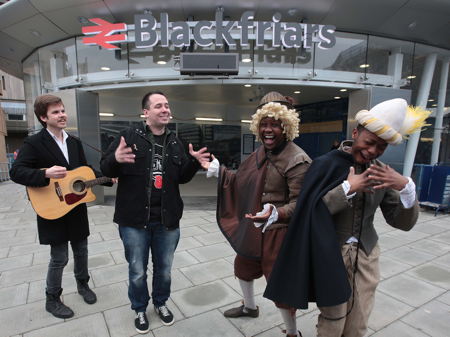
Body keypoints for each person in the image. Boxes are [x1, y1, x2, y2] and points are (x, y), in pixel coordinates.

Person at [265, 98, 430, 337]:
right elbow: (308, 210)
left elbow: (401, 222)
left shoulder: (381, 172)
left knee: (359, 320)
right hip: (331, 256)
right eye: (370, 142)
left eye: (381, 147)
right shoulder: (324, 164)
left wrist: (406, 188)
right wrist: (346, 189)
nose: (373, 151)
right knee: (333, 319)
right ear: (356, 133)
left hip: (366, 256)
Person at [100, 91, 210, 334]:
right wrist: (116, 159)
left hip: (167, 220)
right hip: (134, 221)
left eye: (167, 105)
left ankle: (160, 303)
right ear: (145, 112)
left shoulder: (174, 141)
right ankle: (140, 308)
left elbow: (181, 177)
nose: (165, 109)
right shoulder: (128, 136)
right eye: (158, 106)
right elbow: (105, 167)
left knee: (165, 269)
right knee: (137, 270)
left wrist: (193, 163)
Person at [204, 92, 311, 337]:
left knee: (281, 287)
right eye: (264, 123)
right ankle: (250, 307)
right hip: (255, 227)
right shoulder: (259, 153)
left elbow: (301, 204)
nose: (269, 129)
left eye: (275, 123)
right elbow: (242, 182)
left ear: (287, 126)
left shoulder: (298, 159)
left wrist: (276, 212)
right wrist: (219, 171)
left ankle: (293, 332)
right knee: (243, 266)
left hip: (280, 233)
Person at [10, 94, 109, 319]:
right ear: (44, 117)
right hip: (51, 208)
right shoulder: (34, 143)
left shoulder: (74, 141)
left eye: (63, 110)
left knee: (81, 250)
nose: (62, 114)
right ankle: (52, 298)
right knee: (59, 257)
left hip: (75, 206)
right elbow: (16, 172)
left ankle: (83, 285)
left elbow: (84, 170)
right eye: (56, 112)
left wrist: (107, 176)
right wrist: (44, 173)